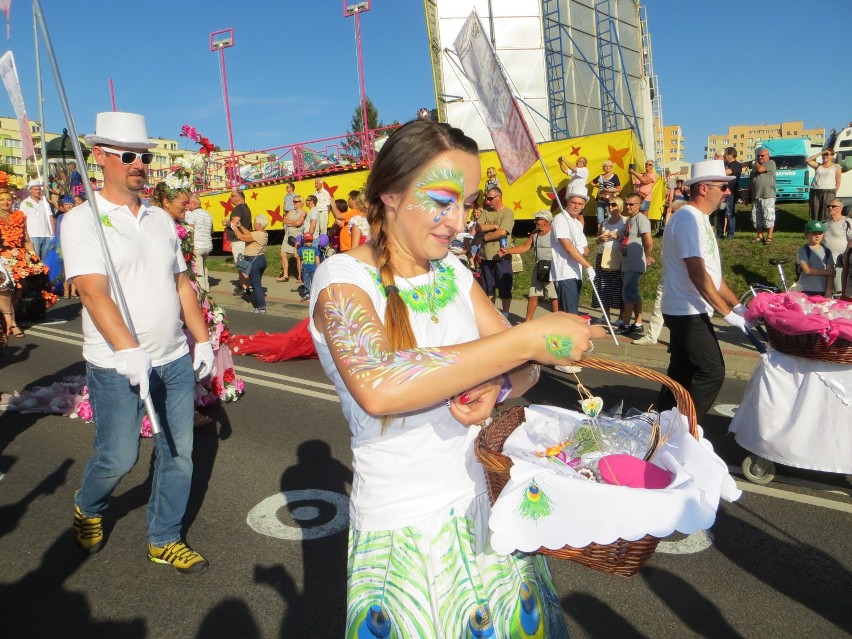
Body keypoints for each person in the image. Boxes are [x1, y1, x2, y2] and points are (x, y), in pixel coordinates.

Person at [308, 118, 600, 636]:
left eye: (465, 203)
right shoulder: (342, 279)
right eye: (443, 200)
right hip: (407, 525)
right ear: (391, 195)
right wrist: (527, 337)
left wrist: (499, 385)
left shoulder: (454, 273)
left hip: (487, 498)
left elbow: (525, 370)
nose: (458, 220)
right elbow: (378, 386)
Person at [62, 111, 213, 573]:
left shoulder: (161, 220)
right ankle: (89, 505)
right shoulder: (82, 220)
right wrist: (127, 351)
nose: (139, 163)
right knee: (119, 455)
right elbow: (91, 290)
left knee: (178, 451)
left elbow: (181, 282)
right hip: (115, 365)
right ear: (100, 157)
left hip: (172, 359)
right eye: (128, 155)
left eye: (143, 155)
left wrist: (201, 340)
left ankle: (163, 537)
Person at [657, 159, 745, 422]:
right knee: (711, 371)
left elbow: (715, 276)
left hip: (689, 308)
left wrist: (738, 306)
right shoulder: (687, 220)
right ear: (704, 188)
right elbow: (697, 273)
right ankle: (682, 428)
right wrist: (727, 314)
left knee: (682, 372)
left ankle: (660, 421)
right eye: (723, 187)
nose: (728, 192)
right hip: (686, 309)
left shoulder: (700, 220)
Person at [0, 190, 57, 338]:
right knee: (6, 291)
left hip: (18, 257)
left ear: (13, 202)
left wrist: (33, 257)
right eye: (2, 200)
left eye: (8, 199)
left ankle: (8, 318)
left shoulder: (19, 217)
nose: (6, 202)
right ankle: (12, 323)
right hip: (2, 258)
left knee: (18, 291)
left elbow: (26, 239)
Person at [633, 200, 689, 345]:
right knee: (659, 306)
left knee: (678, 310)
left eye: (674, 211)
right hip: (668, 274)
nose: (670, 214)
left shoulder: (688, 230)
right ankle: (652, 336)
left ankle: (677, 341)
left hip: (681, 277)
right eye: (670, 212)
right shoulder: (671, 227)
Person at [498, 210, 558, 322]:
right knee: (532, 295)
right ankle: (528, 321)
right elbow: (525, 246)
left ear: (546, 221)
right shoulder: (535, 233)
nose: (535, 221)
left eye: (538, 219)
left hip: (552, 268)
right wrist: (508, 251)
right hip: (538, 267)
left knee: (553, 296)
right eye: (535, 219)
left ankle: (556, 321)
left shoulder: (555, 233)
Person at [551, 192, 595, 317]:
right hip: (564, 273)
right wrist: (587, 265)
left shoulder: (577, 223)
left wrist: (577, 249)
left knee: (573, 312)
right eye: (574, 203)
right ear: (567, 203)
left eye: (580, 204)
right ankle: (568, 336)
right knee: (569, 315)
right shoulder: (560, 219)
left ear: (583, 206)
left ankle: (570, 336)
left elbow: (586, 250)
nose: (576, 206)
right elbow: (568, 248)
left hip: (576, 272)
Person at [617, 193, 655, 336]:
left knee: (628, 294)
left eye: (631, 204)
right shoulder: (629, 220)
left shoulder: (641, 219)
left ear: (639, 205)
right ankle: (638, 323)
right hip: (626, 262)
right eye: (626, 203)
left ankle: (625, 324)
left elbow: (648, 241)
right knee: (634, 294)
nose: (628, 206)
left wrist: (647, 256)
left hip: (634, 263)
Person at [476, 186, 514, 317]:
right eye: (486, 198)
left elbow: (502, 232)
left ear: (499, 197)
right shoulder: (486, 211)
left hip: (501, 257)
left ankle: (506, 314)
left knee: (505, 288)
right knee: (489, 289)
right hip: (486, 257)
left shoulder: (508, 212)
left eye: (490, 198)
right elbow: (478, 226)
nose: (487, 201)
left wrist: (484, 238)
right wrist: (493, 226)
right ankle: (492, 314)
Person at [590, 196, 625, 325]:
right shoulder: (604, 222)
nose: (610, 207)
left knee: (618, 285)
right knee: (602, 285)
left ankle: (621, 316)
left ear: (620, 206)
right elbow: (596, 239)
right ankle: (606, 315)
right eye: (609, 205)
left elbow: (627, 240)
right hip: (602, 254)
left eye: (614, 205)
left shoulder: (625, 221)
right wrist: (600, 239)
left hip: (617, 255)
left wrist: (617, 236)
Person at [231, 214, 269, 313]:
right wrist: (241, 226)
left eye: (255, 222)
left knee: (256, 285)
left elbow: (241, 237)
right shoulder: (263, 233)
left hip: (254, 261)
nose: (254, 223)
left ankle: (261, 307)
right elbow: (249, 234)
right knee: (255, 283)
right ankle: (258, 301)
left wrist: (234, 226)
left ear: (259, 224)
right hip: (260, 259)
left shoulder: (258, 234)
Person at [795, 220, 835, 297]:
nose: (818, 236)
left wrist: (828, 293)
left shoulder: (827, 251)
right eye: (814, 233)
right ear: (806, 234)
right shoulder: (803, 250)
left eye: (820, 233)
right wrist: (827, 272)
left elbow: (831, 273)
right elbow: (807, 270)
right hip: (805, 290)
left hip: (823, 291)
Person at [183, 194, 213, 292]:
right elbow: (211, 230)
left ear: (192, 203)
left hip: (197, 246)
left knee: (198, 271)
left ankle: (203, 291)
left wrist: (190, 243)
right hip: (207, 245)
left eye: (188, 203)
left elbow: (190, 229)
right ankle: (207, 287)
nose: (186, 205)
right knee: (203, 267)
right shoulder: (207, 214)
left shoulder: (191, 214)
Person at [20, 179, 54, 262]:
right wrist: (26, 236)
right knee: (35, 260)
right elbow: (23, 220)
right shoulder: (25, 203)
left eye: (39, 189)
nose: (38, 191)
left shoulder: (44, 202)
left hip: (46, 235)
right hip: (33, 235)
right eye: (35, 189)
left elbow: (50, 217)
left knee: (46, 261)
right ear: (30, 190)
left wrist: (53, 233)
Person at [822, 199, 852, 292]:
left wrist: (846, 257)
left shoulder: (847, 222)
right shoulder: (824, 223)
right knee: (826, 291)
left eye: (833, 206)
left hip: (841, 264)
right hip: (826, 263)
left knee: (839, 290)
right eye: (828, 206)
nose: (830, 208)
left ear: (841, 208)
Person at [226, 189, 252, 291]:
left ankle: (246, 288)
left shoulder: (238, 209)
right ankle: (243, 286)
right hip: (243, 239)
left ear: (238, 197)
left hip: (238, 240)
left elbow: (235, 223)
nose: (230, 198)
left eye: (232, 196)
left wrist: (227, 223)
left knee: (241, 265)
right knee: (242, 264)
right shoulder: (246, 207)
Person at [806, 149, 842, 221]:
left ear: (832, 156)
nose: (825, 156)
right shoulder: (818, 166)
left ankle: (826, 228)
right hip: (815, 191)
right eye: (824, 155)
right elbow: (807, 160)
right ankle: (815, 228)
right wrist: (821, 152)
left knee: (826, 212)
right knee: (815, 211)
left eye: (827, 154)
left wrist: (834, 193)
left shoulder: (836, 166)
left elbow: (838, 181)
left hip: (829, 191)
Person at [750, 148, 776, 244]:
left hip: (768, 195)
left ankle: (769, 236)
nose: (760, 157)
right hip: (756, 196)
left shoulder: (771, 163)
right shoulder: (754, 168)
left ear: (768, 156)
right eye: (758, 156)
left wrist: (754, 163)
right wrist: (748, 196)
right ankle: (759, 236)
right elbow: (751, 182)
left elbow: (761, 169)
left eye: (762, 155)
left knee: (769, 216)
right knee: (757, 217)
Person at [278, 194, 306, 282]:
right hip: (288, 235)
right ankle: (285, 275)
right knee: (283, 253)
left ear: (301, 203)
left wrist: (289, 223)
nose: (294, 203)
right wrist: (292, 223)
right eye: (293, 201)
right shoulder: (291, 211)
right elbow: (284, 220)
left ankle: (300, 276)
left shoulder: (303, 212)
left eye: (296, 201)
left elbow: (299, 223)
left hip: (297, 236)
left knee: (298, 256)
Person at [591, 160, 621, 232]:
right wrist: (597, 186)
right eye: (605, 166)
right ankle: (600, 233)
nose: (607, 168)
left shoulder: (614, 176)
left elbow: (619, 188)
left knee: (610, 215)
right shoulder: (600, 176)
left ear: (611, 167)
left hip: (610, 199)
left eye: (609, 166)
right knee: (600, 217)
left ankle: (610, 231)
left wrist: (610, 190)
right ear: (603, 168)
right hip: (600, 199)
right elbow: (591, 182)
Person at [719, 147, 742, 239]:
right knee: (720, 213)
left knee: (729, 213)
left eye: (725, 154)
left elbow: (726, 173)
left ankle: (730, 234)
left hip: (730, 193)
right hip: (721, 192)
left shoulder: (736, 165)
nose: (724, 155)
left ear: (730, 154)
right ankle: (719, 233)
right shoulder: (724, 164)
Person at [296, 232, 322, 302]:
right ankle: (307, 293)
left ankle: (315, 294)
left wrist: (318, 267)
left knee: (314, 281)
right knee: (306, 282)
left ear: (312, 241)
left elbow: (317, 258)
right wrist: (299, 272)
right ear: (304, 241)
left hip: (313, 268)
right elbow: (298, 259)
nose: (309, 243)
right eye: (307, 241)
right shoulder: (301, 249)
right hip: (305, 269)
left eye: (310, 241)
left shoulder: (315, 249)